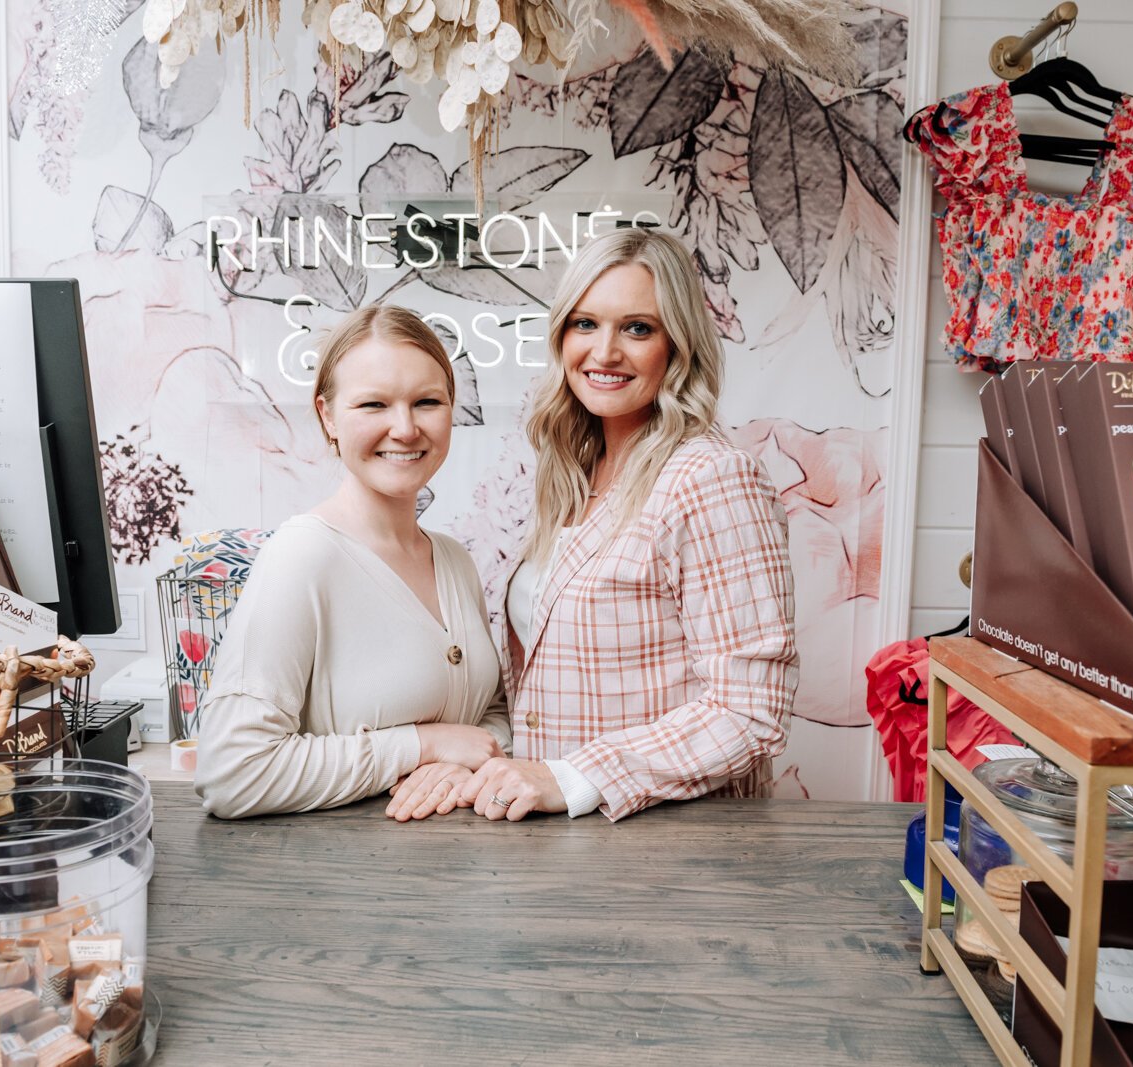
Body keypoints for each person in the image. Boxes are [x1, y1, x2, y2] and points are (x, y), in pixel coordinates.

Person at [457, 227, 798, 822]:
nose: (604, 352)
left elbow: (750, 711)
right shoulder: (572, 472)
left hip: (665, 844)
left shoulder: (711, 476)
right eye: (584, 324)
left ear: (678, 346)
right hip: (552, 839)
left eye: (637, 328)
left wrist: (573, 777)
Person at [194, 305, 510, 819]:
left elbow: (489, 720)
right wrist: (420, 747)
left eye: (427, 402)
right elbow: (231, 772)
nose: (405, 429)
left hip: (464, 884)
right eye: (374, 405)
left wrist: (457, 765)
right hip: (347, 886)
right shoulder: (303, 556)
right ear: (328, 416)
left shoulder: (454, 560)